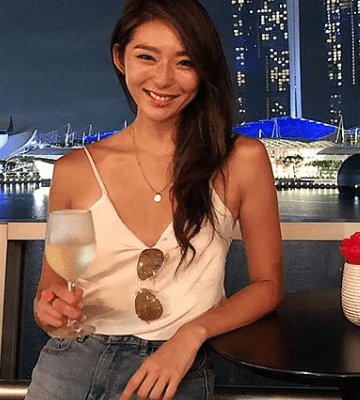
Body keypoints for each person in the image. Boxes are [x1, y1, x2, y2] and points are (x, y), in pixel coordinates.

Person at [26, 0, 283, 399]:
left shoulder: (241, 160)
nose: (163, 78)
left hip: (174, 367)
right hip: (70, 365)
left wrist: (192, 334)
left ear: (204, 70)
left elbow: (268, 285)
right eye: (146, 56)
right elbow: (51, 289)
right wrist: (50, 309)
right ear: (120, 58)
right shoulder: (74, 169)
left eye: (185, 62)